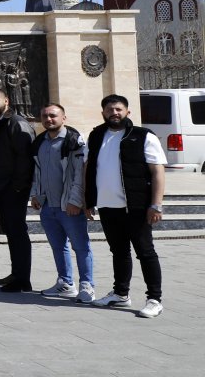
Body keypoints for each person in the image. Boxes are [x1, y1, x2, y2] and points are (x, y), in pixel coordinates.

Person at [85, 94, 167, 318]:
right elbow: (89, 169)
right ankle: (121, 294)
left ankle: (154, 299)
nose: (114, 113)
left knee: (145, 252)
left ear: (127, 112)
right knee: (119, 251)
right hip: (108, 206)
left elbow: (157, 171)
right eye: (110, 110)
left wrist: (156, 204)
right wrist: (88, 201)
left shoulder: (142, 136)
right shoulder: (96, 136)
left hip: (137, 206)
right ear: (103, 113)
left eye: (119, 109)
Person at [31, 103, 93, 302]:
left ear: (63, 118)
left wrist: (76, 201)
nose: (49, 119)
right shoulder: (40, 142)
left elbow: (79, 175)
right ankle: (65, 283)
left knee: (81, 247)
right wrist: (36, 195)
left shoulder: (74, 141)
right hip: (49, 207)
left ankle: (87, 285)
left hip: (69, 205)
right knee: (58, 247)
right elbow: (37, 173)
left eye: (53, 116)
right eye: (45, 116)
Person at [0, 87, 36, 292]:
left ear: (7, 101)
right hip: (0, 188)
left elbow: (25, 157)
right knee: (11, 232)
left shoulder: (16, 123)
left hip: (13, 189)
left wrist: (18, 187)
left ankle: (23, 280)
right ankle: (16, 273)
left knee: (17, 232)